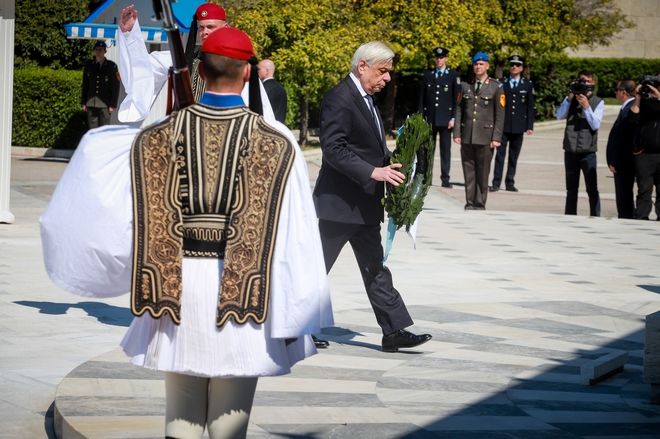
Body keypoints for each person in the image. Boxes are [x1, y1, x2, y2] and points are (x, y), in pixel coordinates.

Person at [41, 27, 333, 439]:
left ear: (201, 68)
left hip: (175, 287)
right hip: (245, 293)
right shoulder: (277, 140)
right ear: (248, 74)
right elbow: (296, 234)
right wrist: (297, 309)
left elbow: (116, 200)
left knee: (181, 415)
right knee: (230, 424)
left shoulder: (156, 135)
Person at [313, 41, 432, 353]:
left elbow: (370, 149)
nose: (387, 78)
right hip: (339, 204)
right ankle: (291, 328)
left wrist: (390, 164)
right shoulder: (340, 98)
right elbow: (334, 149)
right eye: (383, 71)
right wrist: (373, 172)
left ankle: (394, 331)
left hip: (364, 204)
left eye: (389, 72)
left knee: (375, 268)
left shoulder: (366, 100)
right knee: (314, 268)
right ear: (362, 66)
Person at [117, 3, 276, 125]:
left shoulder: (238, 65)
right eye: (201, 27)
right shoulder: (184, 61)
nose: (205, 31)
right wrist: (130, 35)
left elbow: (262, 112)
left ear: (225, 27)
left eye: (211, 27)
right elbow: (142, 72)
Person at [453, 51, 505, 210]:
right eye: (476, 64)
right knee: (468, 170)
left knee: (483, 172)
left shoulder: (496, 87)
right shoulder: (465, 85)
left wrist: (496, 136)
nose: (478, 67)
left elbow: (500, 114)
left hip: (486, 136)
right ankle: (469, 202)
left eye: (481, 64)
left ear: (487, 66)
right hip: (468, 135)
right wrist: (457, 133)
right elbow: (459, 110)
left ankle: (480, 202)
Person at [556, 70, 604, 217]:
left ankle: (595, 215)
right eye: (581, 81)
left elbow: (595, 124)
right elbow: (559, 116)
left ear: (592, 84)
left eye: (586, 82)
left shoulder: (598, 101)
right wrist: (569, 98)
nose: (583, 84)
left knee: (591, 187)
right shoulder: (571, 100)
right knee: (571, 188)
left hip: (587, 151)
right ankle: (570, 215)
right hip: (570, 150)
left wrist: (586, 106)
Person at [490, 54, 534, 193]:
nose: (514, 67)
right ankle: (496, 182)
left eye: (517, 65)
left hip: (518, 126)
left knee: (514, 156)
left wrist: (529, 126)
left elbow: (529, 107)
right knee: (500, 156)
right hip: (503, 126)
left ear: (521, 68)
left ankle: (510, 182)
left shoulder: (527, 84)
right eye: (512, 65)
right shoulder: (502, 83)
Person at [418, 46, 461, 188]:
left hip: (445, 119)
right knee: (428, 149)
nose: (439, 60)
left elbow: (457, 100)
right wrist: (421, 117)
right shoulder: (428, 75)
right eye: (437, 58)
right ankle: (426, 178)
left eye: (441, 57)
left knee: (445, 150)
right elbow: (422, 99)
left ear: (446, 59)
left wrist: (453, 118)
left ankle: (445, 178)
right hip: (430, 118)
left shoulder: (453, 75)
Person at [628, 76, 660, 220]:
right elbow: (633, 118)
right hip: (645, 155)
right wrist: (638, 97)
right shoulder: (643, 103)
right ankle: (641, 217)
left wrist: (658, 97)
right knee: (644, 189)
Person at [605, 79, 636, 219]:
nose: (615, 93)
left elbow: (623, 140)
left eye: (617, 91)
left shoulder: (630, 108)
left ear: (623, 92)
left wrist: (615, 161)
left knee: (624, 196)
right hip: (623, 161)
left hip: (624, 162)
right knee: (623, 195)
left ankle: (626, 218)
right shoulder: (626, 107)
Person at [81, 40, 120, 129]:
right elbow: (85, 84)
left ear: (105, 51)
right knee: (92, 130)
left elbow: (115, 86)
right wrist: (84, 102)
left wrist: (113, 104)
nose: (98, 52)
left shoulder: (112, 66)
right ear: (94, 51)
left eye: (101, 50)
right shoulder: (89, 65)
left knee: (104, 130)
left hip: (105, 104)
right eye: (97, 49)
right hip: (91, 102)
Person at [258, 59, 288, 123]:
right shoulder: (281, 89)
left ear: (267, 71)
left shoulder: (263, 89)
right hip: (279, 129)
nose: (257, 71)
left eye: (259, 69)